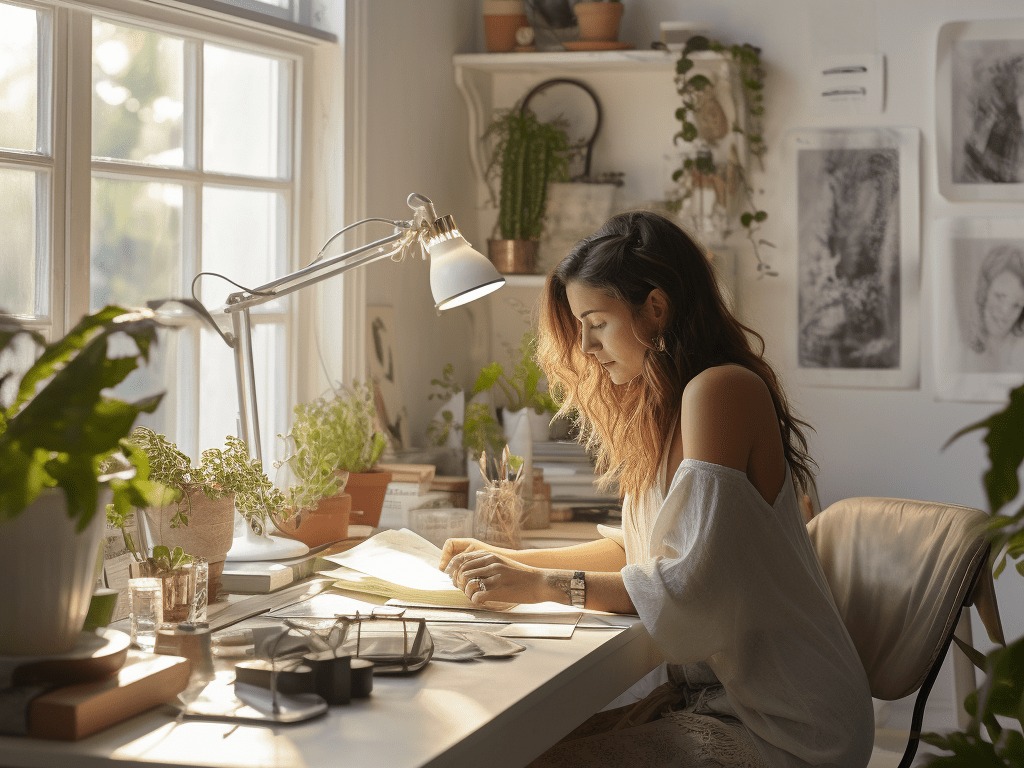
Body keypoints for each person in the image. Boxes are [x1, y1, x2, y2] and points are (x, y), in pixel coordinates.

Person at [439, 211, 874, 768]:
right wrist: (503, 560)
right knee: (516, 750)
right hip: (720, 705)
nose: (587, 347)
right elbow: (636, 552)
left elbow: (690, 589)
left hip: (791, 727)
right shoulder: (664, 412)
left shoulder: (721, 390)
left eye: (596, 322)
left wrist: (540, 583)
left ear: (656, 309)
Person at [966, 243, 1024, 372]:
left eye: (1017, 305)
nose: (1005, 311)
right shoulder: (962, 350)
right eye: (1000, 296)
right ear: (984, 291)